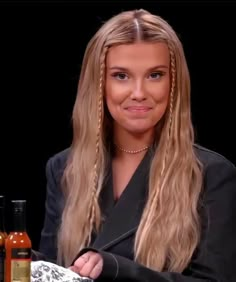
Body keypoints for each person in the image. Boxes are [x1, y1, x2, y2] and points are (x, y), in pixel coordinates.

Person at [37, 8, 236, 282]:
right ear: (99, 84)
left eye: (155, 75)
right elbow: (50, 272)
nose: (139, 93)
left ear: (174, 84)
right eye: (121, 76)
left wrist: (117, 270)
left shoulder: (211, 175)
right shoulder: (62, 168)